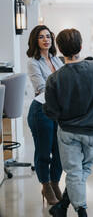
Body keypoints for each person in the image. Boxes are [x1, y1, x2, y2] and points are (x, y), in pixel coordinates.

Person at [43, 28, 93, 217]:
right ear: (81, 46)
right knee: (83, 170)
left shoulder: (55, 78)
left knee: (75, 173)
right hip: (92, 131)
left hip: (67, 132)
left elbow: (51, 111)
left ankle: (76, 213)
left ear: (59, 49)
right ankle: (70, 210)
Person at [26, 25, 63, 205]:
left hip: (57, 110)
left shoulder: (56, 60)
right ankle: (46, 186)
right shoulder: (33, 61)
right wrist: (61, 88)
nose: (46, 40)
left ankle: (55, 183)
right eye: (41, 37)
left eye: (48, 36)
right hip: (40, 111)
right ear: (36, 40)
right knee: (43, 152)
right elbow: (42, 88)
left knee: (59, 151)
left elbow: (64, 82)